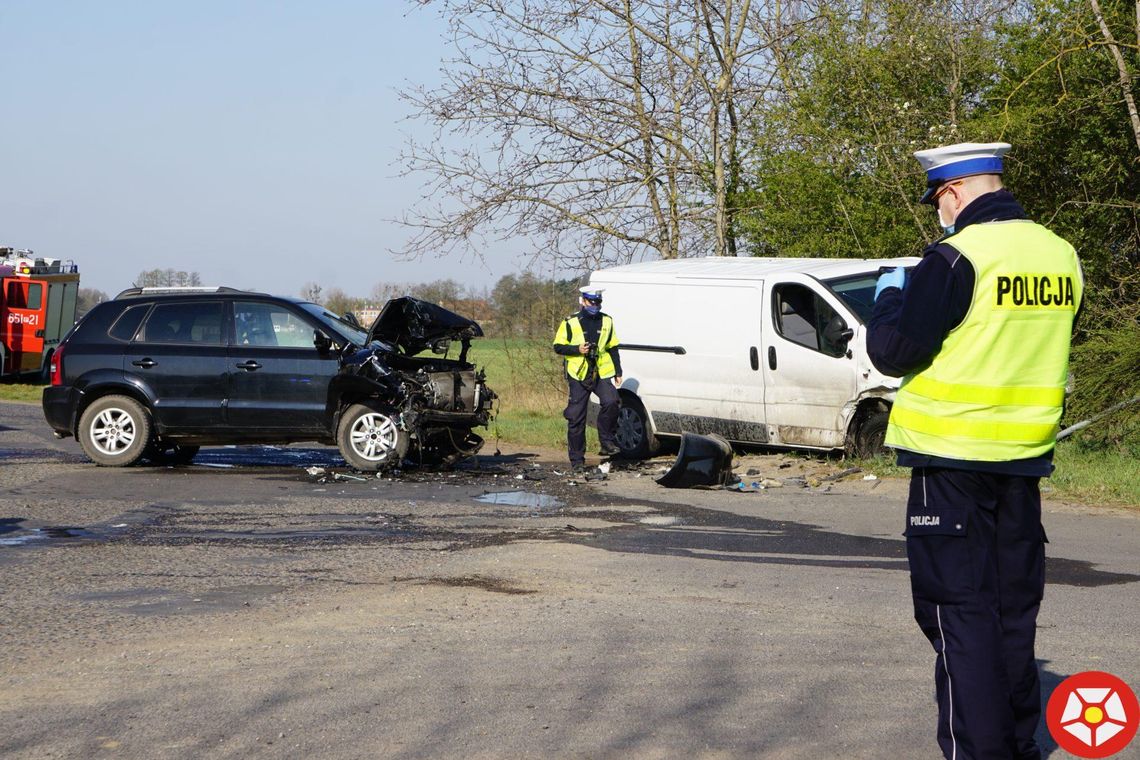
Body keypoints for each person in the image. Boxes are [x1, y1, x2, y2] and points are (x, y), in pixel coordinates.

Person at [868, 142, 1083, 760]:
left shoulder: (955, 256)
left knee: (959, 616)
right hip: (1023, 462)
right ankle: (1019, 745)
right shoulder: (1059, 254)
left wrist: (889, 294)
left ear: (952, 193)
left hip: (950, 462)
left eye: (938, 199)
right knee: (1012, 612)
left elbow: (894, 351)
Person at [552, 287, 623, 471]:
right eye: (592, 302)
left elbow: (613, 346)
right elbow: (558, 347)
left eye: (598, 302)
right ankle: (577, 461)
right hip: (578, 374)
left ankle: (606, 441)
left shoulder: (607, 321)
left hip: (600, 371)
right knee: (576, 417)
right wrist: (577, 349)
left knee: (612, 401)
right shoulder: (570, 322)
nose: (595, 305)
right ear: (583, 301)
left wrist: (618, 371)